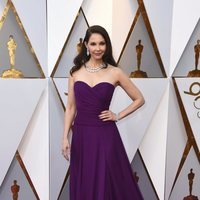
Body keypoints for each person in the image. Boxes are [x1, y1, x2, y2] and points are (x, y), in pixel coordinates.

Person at [62, 25, 145, 200]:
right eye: (93, 44)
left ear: (106, 45)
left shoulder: (115, 72)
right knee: (85, 179)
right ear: (86, 45)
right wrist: (64, 138)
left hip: (105, 133)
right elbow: (70, 107)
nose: (98, 48)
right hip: (82, 135)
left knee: (108, 179)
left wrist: (117, 115)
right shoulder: (75, 72)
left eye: (102, 43)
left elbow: (139, 99)